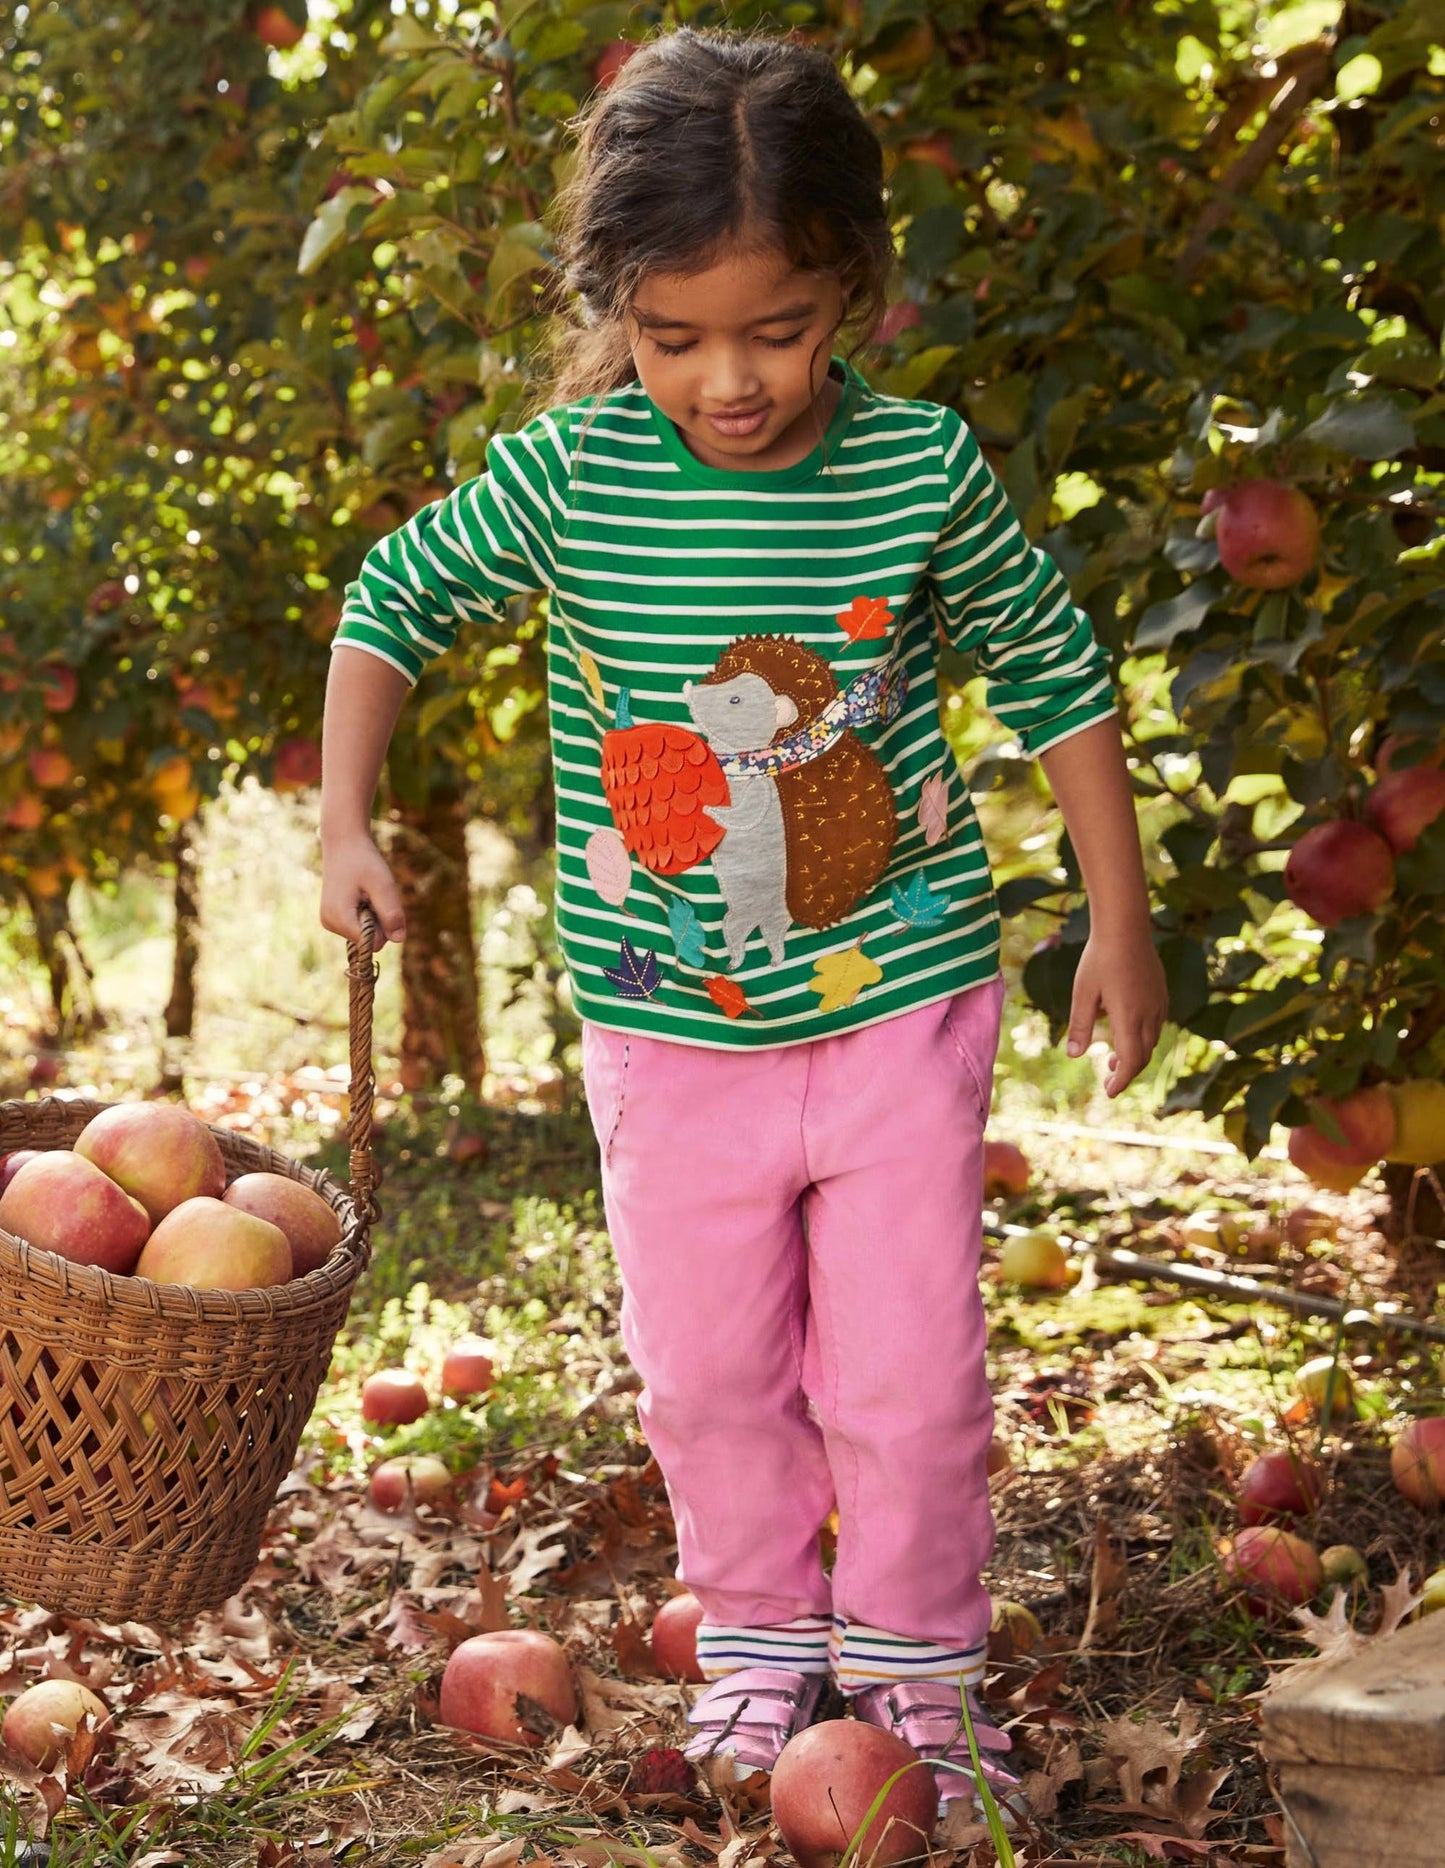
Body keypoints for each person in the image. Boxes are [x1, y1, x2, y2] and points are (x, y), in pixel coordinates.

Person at [319, 24, 1168, 1825]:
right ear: (613, 301)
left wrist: (1118, 915)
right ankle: (768, 1637)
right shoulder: (573, 480)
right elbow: (390, 602)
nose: (728, 380)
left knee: (911, 1376)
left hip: (898, 1007)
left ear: (849, 288)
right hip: (664, 1032)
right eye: (675, 332)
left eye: (774, 329)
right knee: (708, 1376)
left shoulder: (917, 471)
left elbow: (1054, 669)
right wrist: (342, 814)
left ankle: (920, 1680)